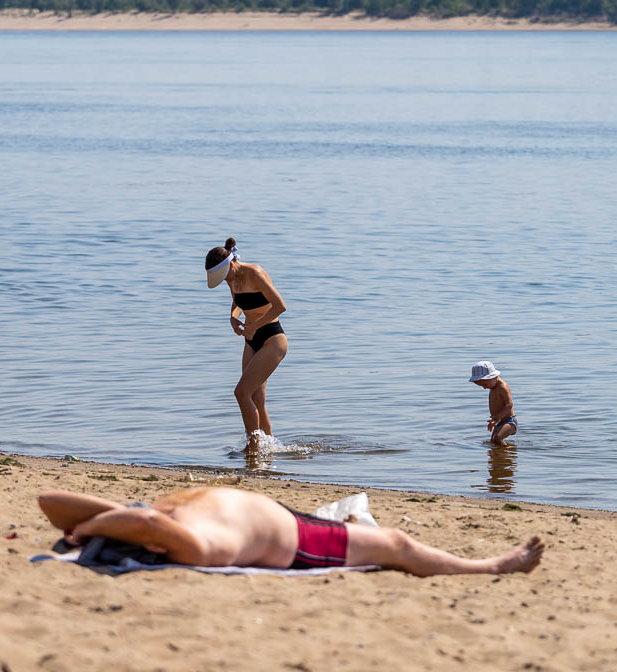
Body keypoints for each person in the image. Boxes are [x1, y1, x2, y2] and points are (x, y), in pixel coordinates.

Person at [38, 486, 544, 576]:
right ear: (150, 544)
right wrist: (90, 531)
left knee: (369, 525)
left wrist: (93, 523)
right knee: (396, 544)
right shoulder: (196, 544)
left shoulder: (163, 521)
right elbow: (144, 520)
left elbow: (49, 502)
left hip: (291, 515)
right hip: (302, 544)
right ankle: (493, 565)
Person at [204, 237, 288, 452]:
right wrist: (233, 317)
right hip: (251, 340)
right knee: (256, 399)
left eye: (225, 275)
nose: (225, 281)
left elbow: (280, 306)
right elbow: (238, 302)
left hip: (272, 339)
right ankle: (270, 448)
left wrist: (255, 326)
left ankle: (253, 447)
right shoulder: (231, 279)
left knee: (241, 393)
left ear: (231, 264)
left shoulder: (255, 273)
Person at [470, 361, 516, 446]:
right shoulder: (493, 386)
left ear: (493, 377)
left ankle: (508, 452)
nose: (484, 388)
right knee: (493, 441)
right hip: (498, 421)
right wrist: (495, 420)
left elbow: (509, 405)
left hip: (509, 421)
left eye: (485, 384)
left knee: (497, 438)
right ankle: (498, 456)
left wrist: (498, 417)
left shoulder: (503, 387)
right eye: (482, 386)